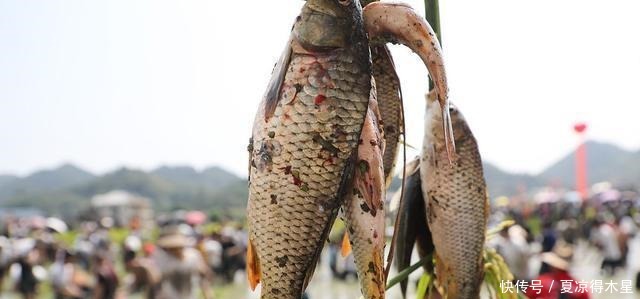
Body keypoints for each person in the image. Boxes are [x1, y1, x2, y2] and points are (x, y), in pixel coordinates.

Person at [151, 227, 213, 299]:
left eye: (177, 248)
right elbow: (157, 281)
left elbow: (203, 278)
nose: (174, 250)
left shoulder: (193, 256)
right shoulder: (164, 259)